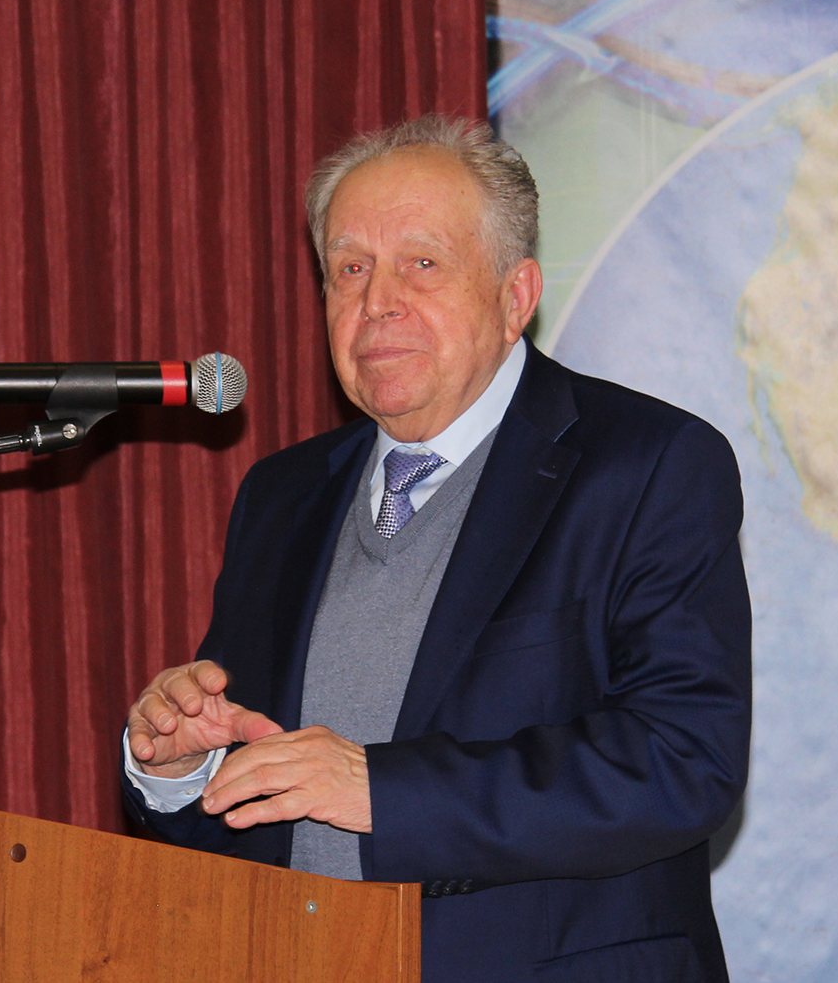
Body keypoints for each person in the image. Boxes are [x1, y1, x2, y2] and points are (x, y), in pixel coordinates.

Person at [122, 115, 751, 982]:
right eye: (349, 268)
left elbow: (683, 763)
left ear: (515, 296)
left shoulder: (648, 465)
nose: (376, 301)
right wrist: (185, 770)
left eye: (421, 263)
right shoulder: (281, 494)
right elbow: (266, 803)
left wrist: (381, 790)